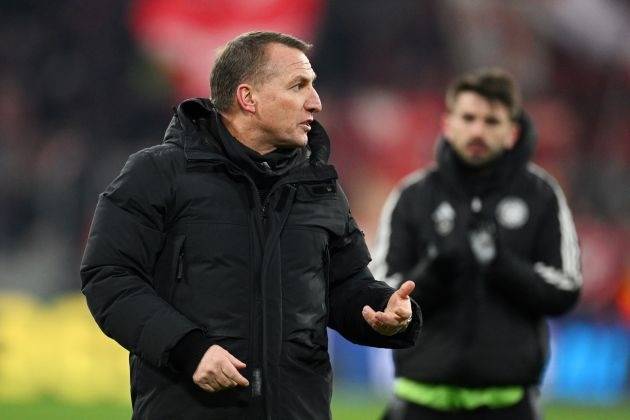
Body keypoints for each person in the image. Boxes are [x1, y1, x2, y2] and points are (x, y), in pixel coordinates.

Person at [80, 31, 421, 420]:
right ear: (248, 98)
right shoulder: (158, 174)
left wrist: (380, 309)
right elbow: (108, 277)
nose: (316, 101)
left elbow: (344, 285)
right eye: (298, 86)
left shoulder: (318, 187)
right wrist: (188, 349)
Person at [371, 68, 581, 420]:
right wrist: (432, 274)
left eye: (492, 121)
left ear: (512, 133)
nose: (478, 131)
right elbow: (382, 293)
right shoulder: (412, 196)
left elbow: (566, 289)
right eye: (468, 118)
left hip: (508, 406)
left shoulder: (542, 195)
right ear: (448, 124)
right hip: (420, 403)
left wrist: (501, 265)